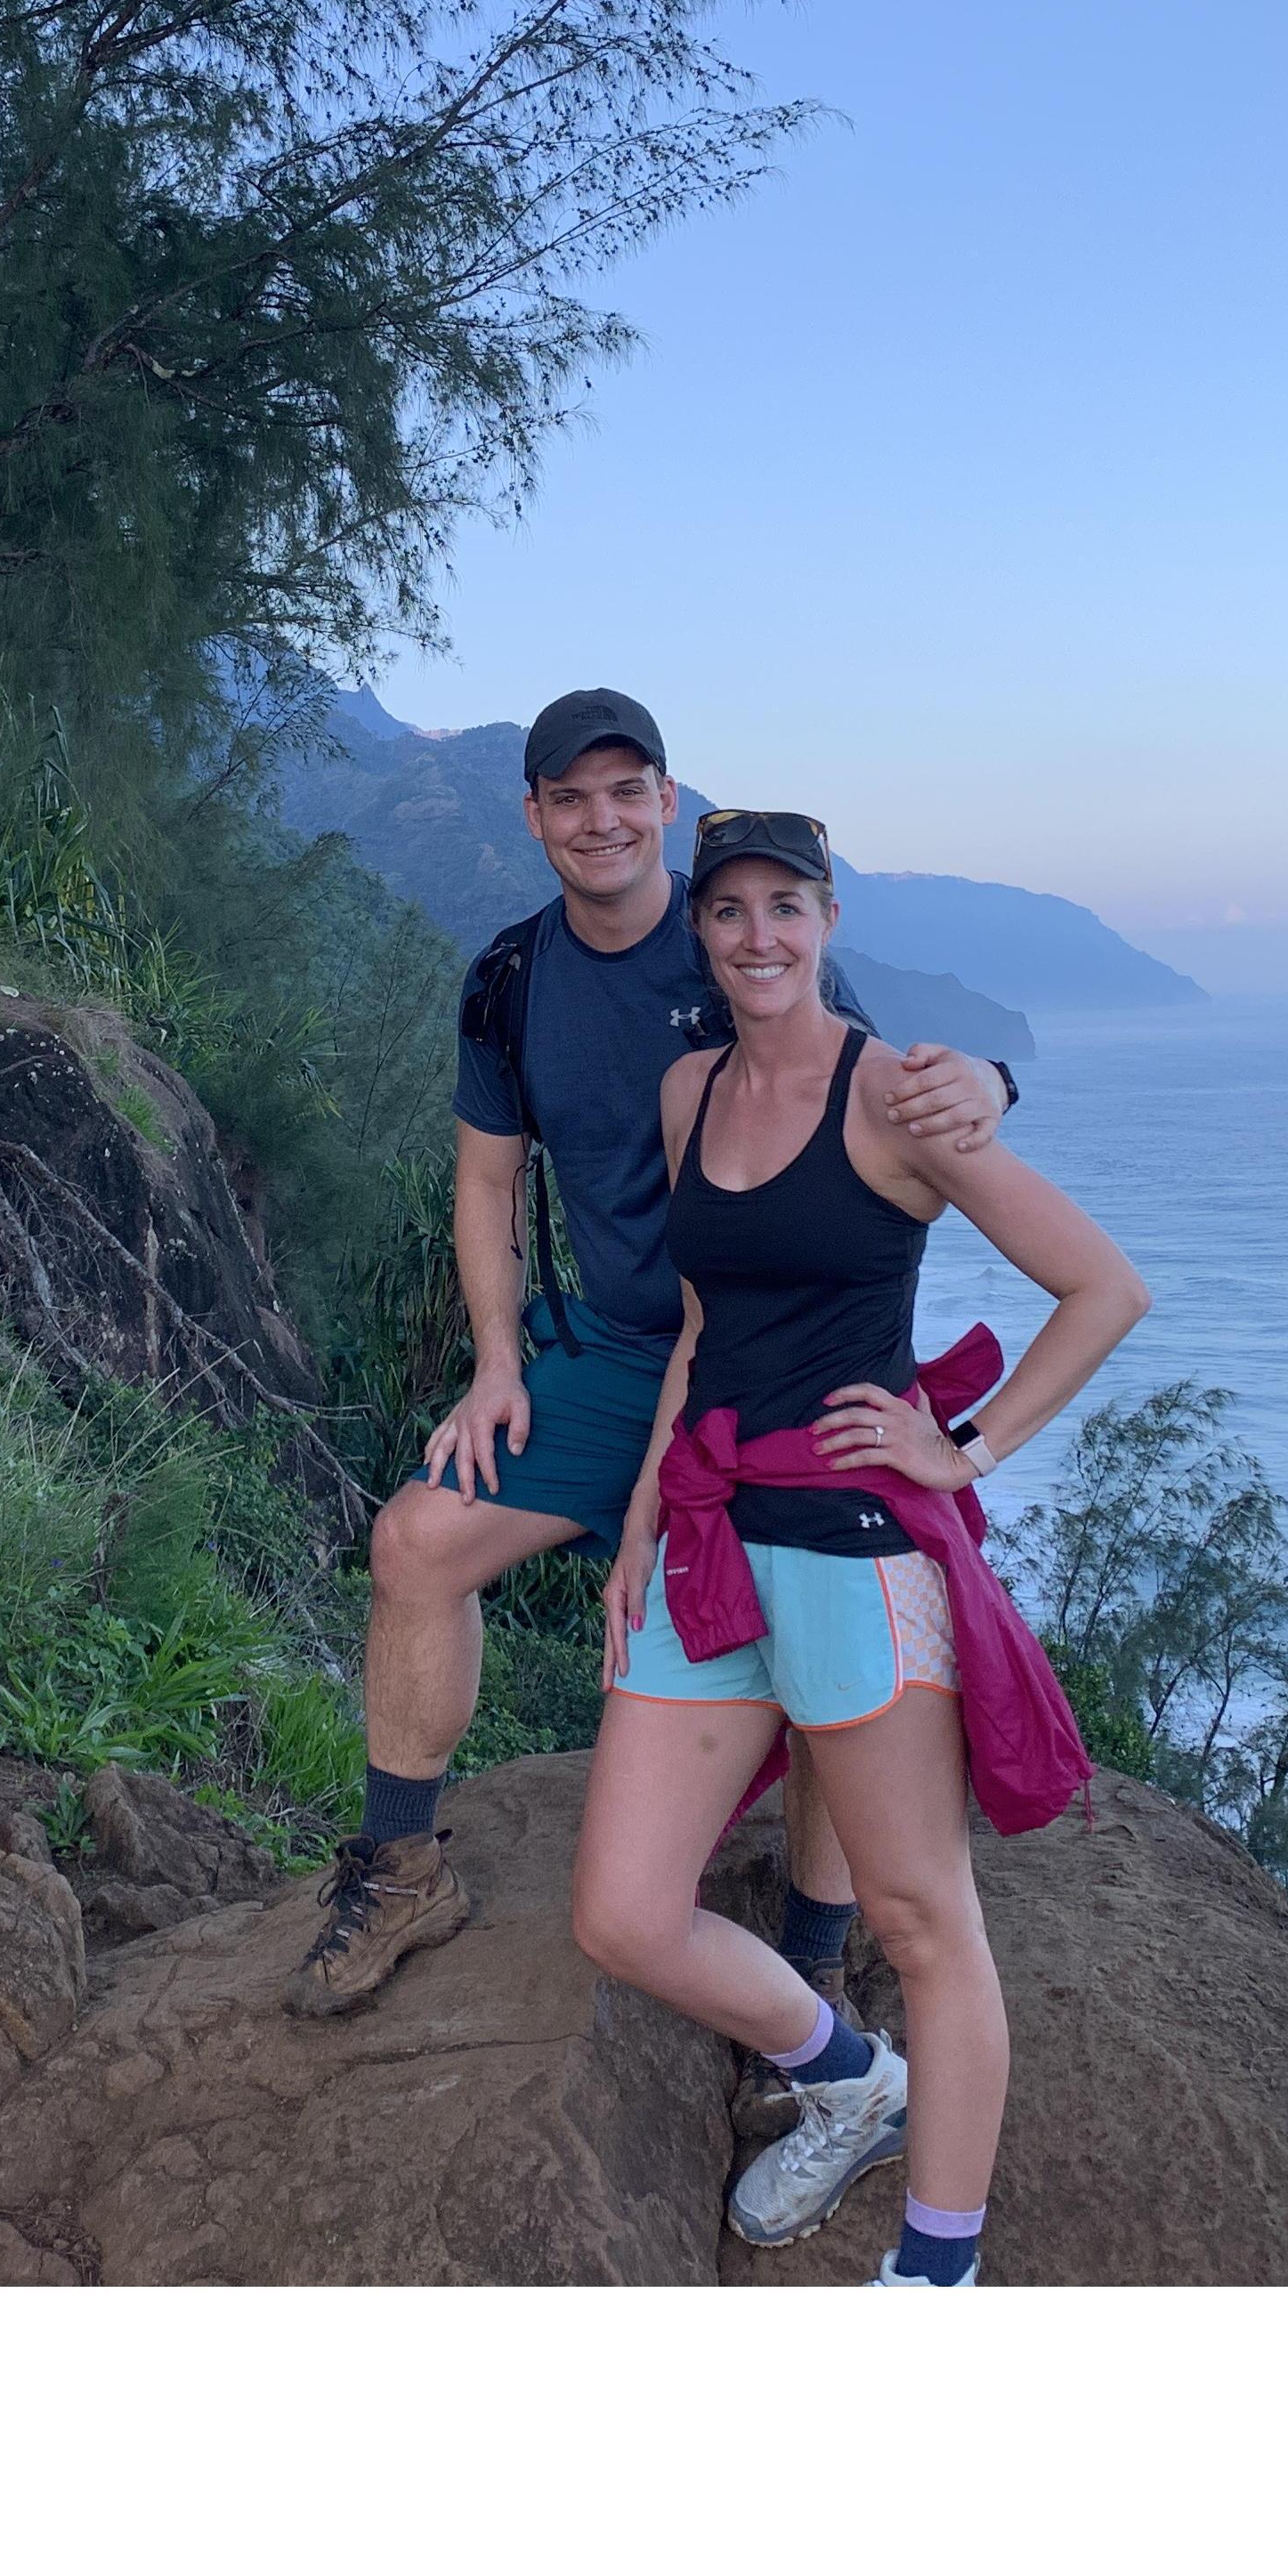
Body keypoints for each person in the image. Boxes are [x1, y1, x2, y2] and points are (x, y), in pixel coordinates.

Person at [288, 691, 1017, 2021]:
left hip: (777, 1366)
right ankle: (401, 1869)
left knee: (816, 1629)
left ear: (668, 804)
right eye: (571, 797)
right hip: (622, 1352)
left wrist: (992, 1080)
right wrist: (496, 1364)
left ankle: (813, 1952)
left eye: (629, 791)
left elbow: (889, 1082)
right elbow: (485, 1180)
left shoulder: (740, 944)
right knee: (416, 1543)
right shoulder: (511, 979)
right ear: (534, 817)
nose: (602, 820)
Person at [570, 809, 1148, 2284]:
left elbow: (1101, 1288)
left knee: (922, 1919)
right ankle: (850, 2080)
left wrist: (965, 1448)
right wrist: (639, 1525)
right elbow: (702, 1328)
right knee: (624, 1913)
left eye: (788, 906)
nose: (758, 935)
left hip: (852, 1549)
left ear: (829, 922)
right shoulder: (690, 1088)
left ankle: (934, 2272)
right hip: (710, 1540)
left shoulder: (894, 1097)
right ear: (701, 931)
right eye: (730, 910)